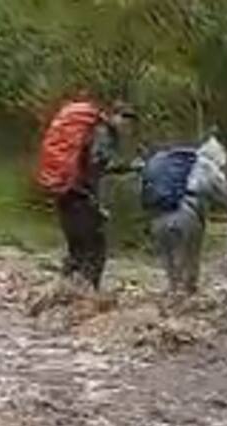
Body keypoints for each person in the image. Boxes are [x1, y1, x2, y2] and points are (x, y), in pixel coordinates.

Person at [52, 101, 138, 291]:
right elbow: (96, 165)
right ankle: (87, 295)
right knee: (95, 249)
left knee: (77, 249)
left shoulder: (91, 130)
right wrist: (97, 202)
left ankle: (62, 293)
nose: (127, 127)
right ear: (114, 115)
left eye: (130, 123)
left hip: (64, 192)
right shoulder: (104, 134)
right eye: (125, 119)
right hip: (81, 196)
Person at [146, 137, 227, 297]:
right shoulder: (207, 165)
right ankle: (185, 301)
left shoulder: (168, 166)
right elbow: (224, 195)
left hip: (158, 215)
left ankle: (172, 295)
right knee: (189, 262)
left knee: (170, 264)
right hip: (187, 214)